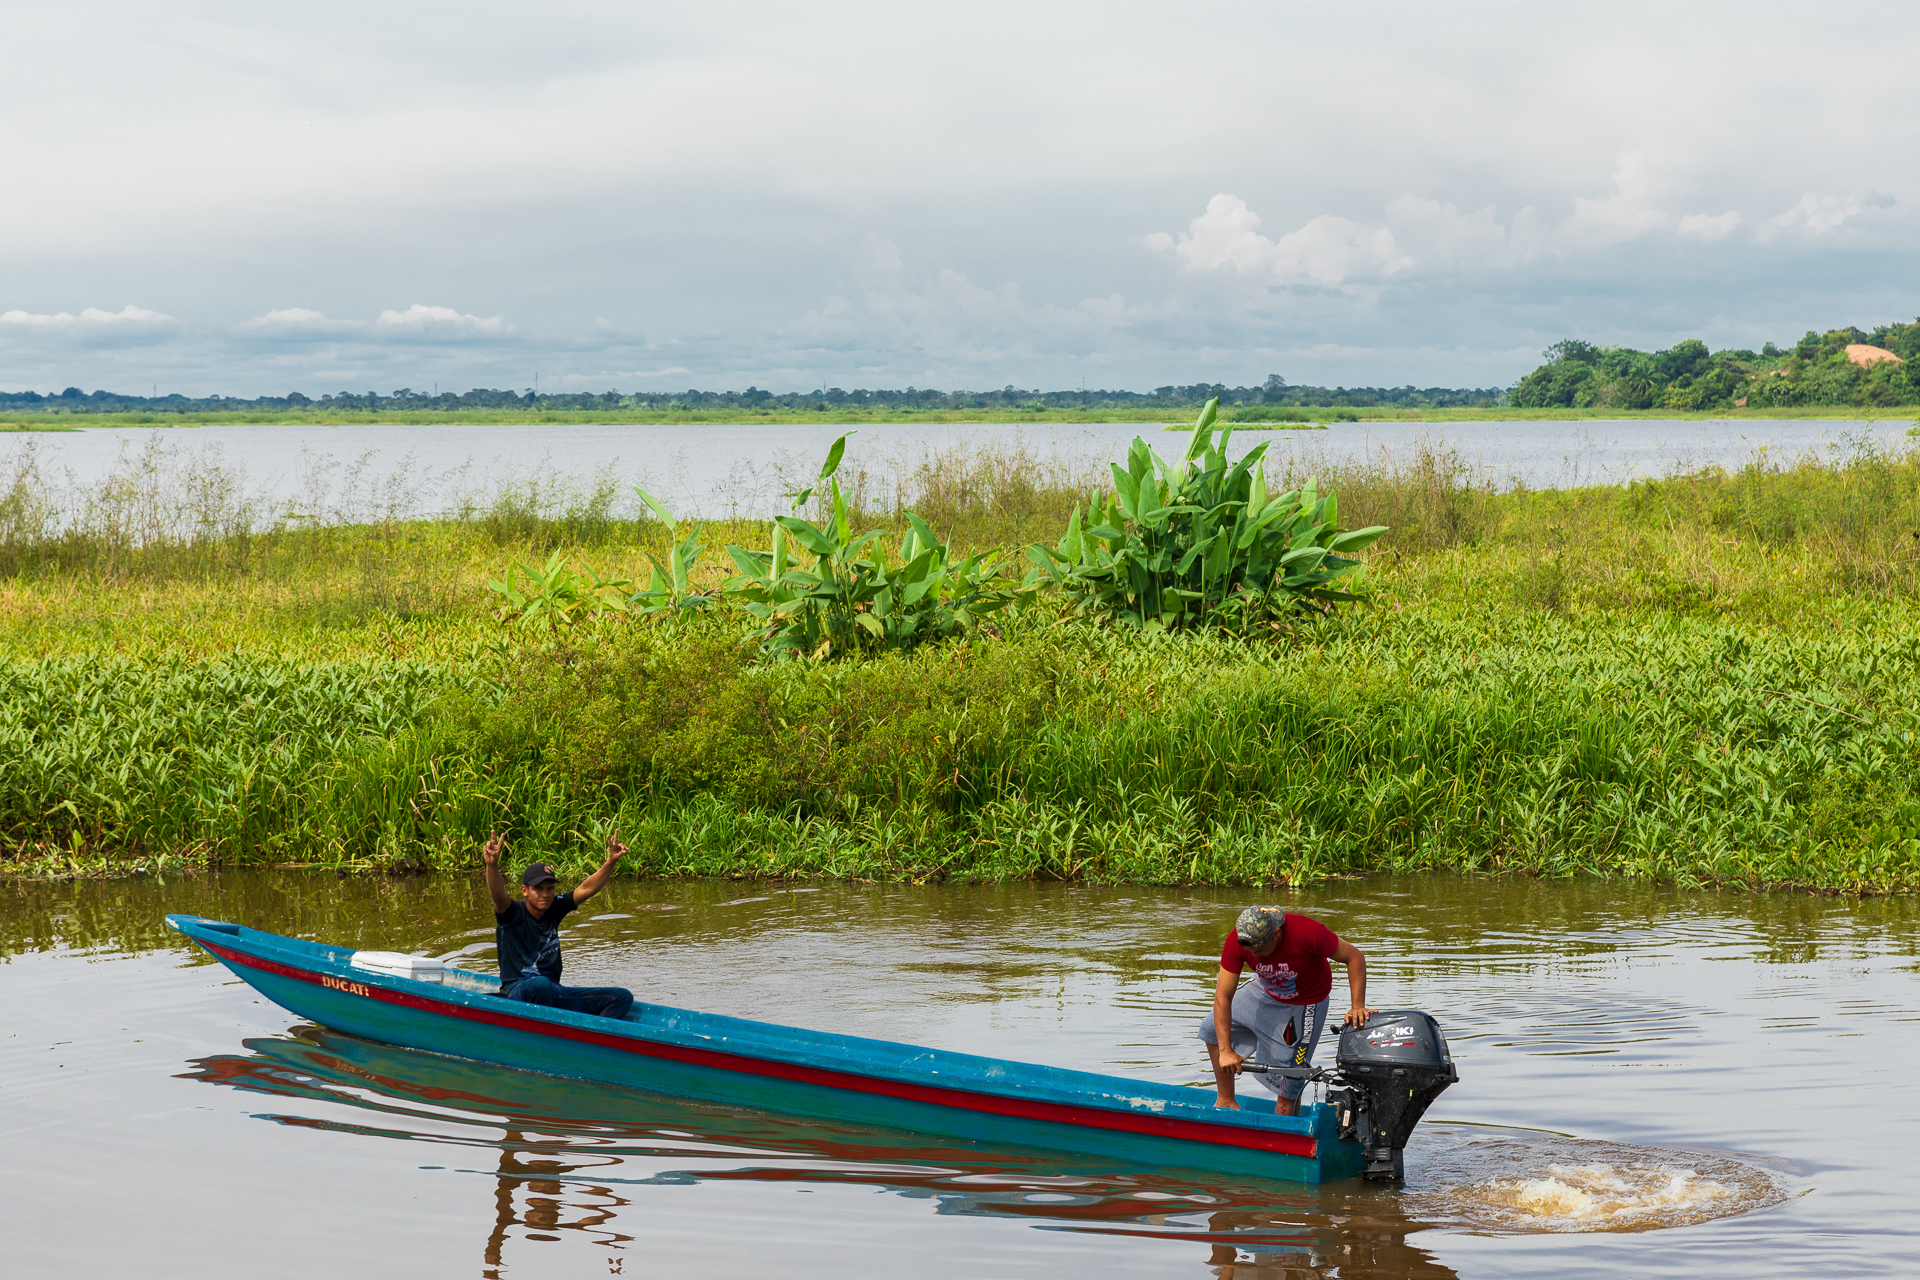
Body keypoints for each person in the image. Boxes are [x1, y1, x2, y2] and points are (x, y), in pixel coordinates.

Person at [1197, 905, 1375, 1113]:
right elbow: (1223, 997)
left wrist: (1357, 1006)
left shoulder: (1308, 932)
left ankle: (1284, 1127)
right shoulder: (1238, 941)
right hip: (1265, 989)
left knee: (1291, 1075)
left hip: (1305, 1002)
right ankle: (1226, 1100)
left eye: (1261, 950)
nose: (1256, 956)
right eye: (1252, 951)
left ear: (1277, 934)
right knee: (1212, 1031)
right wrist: (1226, 1050)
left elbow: (1354, 957)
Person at [481, 830, 635, 1020]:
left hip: (553, 991)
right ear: (525, 890)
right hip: (518, 991)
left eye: (550, 889)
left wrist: (611, 862)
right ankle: (552, 1030)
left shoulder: (555, 907)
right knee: (539, 984)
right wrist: (492, 865)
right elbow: (497, 894)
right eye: (538, 889)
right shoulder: (511, 913)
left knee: (621, 997)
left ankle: (592, 1037)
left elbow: (586, 888)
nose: (545, 894)